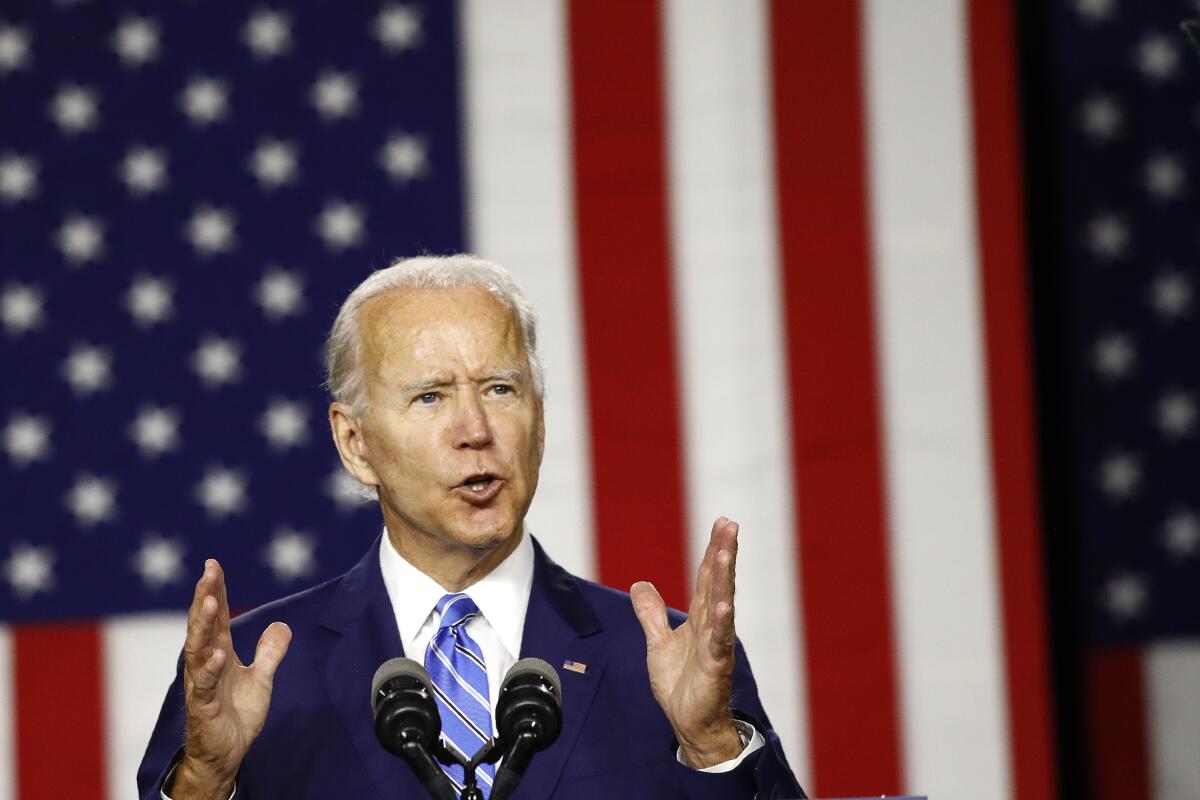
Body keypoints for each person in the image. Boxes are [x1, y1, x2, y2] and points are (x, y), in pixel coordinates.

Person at [138, 255, 805, 799]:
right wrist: (207, 782)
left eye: (500, 389)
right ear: (355, 443)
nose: (477, 431)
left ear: (540, 422)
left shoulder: (664, 659)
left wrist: (713, 748)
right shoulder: (256, 668)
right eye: (430, 396)